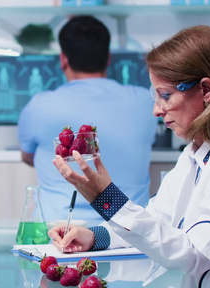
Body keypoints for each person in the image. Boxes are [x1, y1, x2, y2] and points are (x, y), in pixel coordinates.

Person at [49, 25, 210, 288]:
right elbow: (156, 226)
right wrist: (95, 237)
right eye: (155, 96)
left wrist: (106, 197)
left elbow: (196, 254)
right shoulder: (196, 154)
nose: (156, 110)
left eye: (166, 95)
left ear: (206, 90)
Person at [17, 16, 157, 226]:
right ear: (108, 58)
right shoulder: (146, 101)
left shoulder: (38, 106)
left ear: (63, 59)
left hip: (58, 237)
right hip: (129, 234)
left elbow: (28, 157)